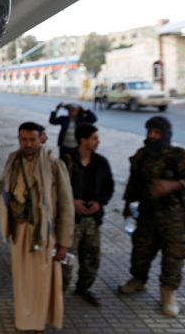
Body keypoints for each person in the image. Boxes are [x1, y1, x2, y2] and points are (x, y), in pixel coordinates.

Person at [0, 122, 74, 333]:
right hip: (19, 230)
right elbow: (3, 185)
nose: (27, 144)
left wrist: (64, 243)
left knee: (42, 279)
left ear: (42, 138)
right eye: (23, 139)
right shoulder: (13, 161)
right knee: (23, 279)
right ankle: (25, 320)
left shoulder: (54, 165)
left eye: (32, 139)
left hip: (43, 233)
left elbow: (66, 206)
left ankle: (39, 323)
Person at [118, 116, 185, 317]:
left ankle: (168, 294)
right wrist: (127, 204)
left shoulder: (180, 157)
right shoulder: (142, 156)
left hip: (174, 218)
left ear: (166, 134)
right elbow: (134, 182)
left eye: (157, 132)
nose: (152, 136)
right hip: (147, 215)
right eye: (150, 131)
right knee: (140, 251)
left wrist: (174, 185)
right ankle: (138, 280)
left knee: (173, 257)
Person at [61, 124, 114, 306]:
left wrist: (99, 203)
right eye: (94, 138)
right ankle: (59, 292)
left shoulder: (101, 162)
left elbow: (109, 186)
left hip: (92, 219)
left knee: (91, 257)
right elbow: (57, 188)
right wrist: (72, 202)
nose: (98, 141)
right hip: (71, 220)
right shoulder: (66, 161)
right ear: (83, 140)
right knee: (66, 258)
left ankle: (83, 288)